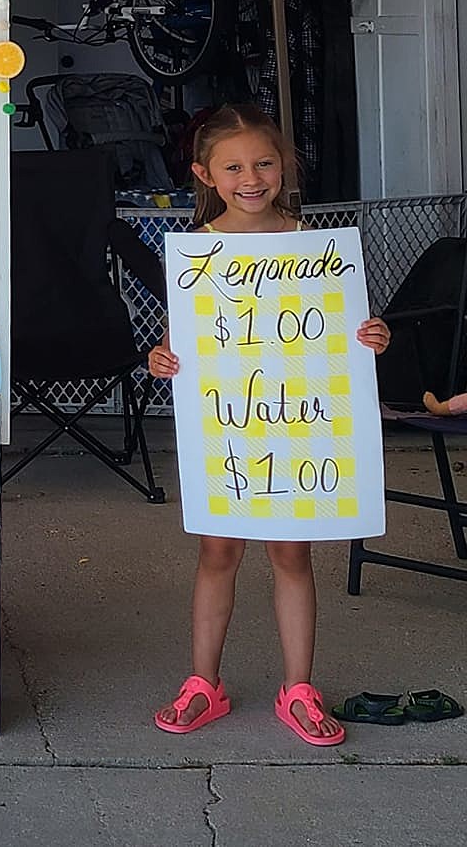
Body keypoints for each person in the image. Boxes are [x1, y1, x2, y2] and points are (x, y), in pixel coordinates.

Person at [147, 105, 390, 747]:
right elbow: (183, 336)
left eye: (263, 163)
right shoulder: (198, 254)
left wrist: (371, 335)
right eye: (233, 167)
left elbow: (344, 331)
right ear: (205, 174)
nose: (251, 177)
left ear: (284, 166)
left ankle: (299, 686)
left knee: (292, 551)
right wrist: (162, 355)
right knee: (218, 552)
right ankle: (204, 682)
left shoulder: (314, 248)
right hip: (227, 424)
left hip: (299, 426)